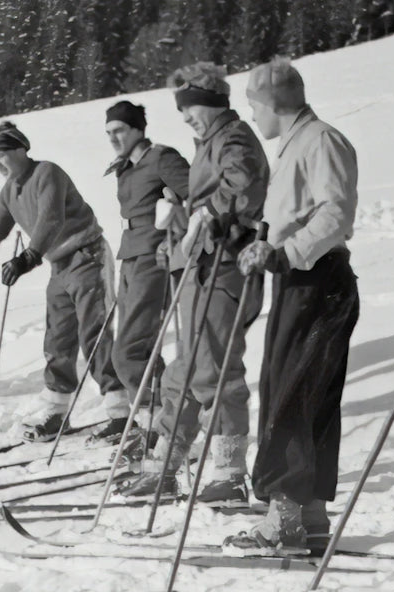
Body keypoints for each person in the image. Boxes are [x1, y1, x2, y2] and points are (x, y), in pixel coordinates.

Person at [221, 57, 360, 552]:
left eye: (254, 106)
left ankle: (283, 519)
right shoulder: (296, 145)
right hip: (304, 280)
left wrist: (285, 253)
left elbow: (335, 213)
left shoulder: (319, 139)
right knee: (308, 397)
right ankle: (310, 513)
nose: (253, 117)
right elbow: (296, 216)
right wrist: (268, 247)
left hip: (316, 281)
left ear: (271, 102)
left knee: (290, 398)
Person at [119, 62, 268, 504]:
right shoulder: (209, 142)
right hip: (202, 263)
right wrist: (178, 237)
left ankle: (229, 470)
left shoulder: (233, 137)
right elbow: (203, 204)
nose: (186, 119)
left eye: (190, 110)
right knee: (183, 368)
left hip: (226, 262)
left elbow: (241, 186)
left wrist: (211, 214)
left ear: (211, 103)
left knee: (216, 368)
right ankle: (166, 462)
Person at [0, 122, 127, 440]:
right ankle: (56, 412)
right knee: (57, 340)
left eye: (1, 156)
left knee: (94, 335)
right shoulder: (9, 191)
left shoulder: (47, 173)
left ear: (21, 149)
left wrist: (30, 255)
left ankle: (121, 412)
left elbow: (50, 217)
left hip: (87, 256)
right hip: (58, 265)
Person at [100, 101, 191, 443]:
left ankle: (158, 425)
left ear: (138, 128)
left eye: (119, 130)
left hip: (155, 257)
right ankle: (157, 423)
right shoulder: (126, 166)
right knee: (138, 346)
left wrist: (176, 223)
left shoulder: (161, 158)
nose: (113, 138)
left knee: (130, 351)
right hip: (130, 256)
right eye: (109, 132)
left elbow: (196, 196)